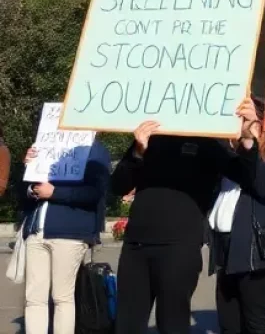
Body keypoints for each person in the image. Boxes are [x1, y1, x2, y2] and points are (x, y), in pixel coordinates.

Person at [111, 122, 224, 334]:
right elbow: (118, 185)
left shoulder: (210, 139)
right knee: (127, 325)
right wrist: (137, 152)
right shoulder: (151, 135)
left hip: (179, 246)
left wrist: (246, 143)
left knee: (173, 324)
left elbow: (245, 174)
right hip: (136, 245)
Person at [209, 96, 265, 334]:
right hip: (226, 244)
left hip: (256, 248)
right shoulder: (232, 154)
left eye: (245, 120)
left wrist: (251, 145)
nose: (239, 125)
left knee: (254, 318)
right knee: (228, 320)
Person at [20, 140, 111, 334]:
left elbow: (95, 193)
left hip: (69, 233)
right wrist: (30, 175)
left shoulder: (95, 150)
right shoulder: (46, 146)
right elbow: (24, 192)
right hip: (37, 231)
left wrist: (55, 193)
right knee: (34, 298)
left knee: (62, 297)